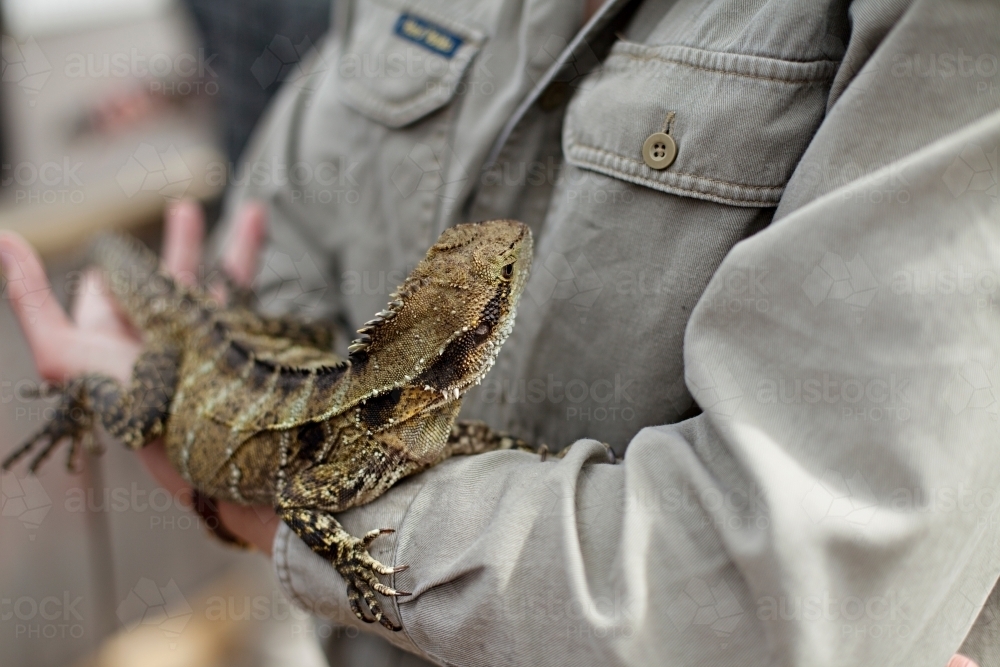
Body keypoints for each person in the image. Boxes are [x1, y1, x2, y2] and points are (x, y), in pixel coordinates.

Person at [1, 0, 999, 665]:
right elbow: (282, 234)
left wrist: (254, 505)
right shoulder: (388, 427)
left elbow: (760, 608)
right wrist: (143, 409)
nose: (505, 260)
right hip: (249, 396)